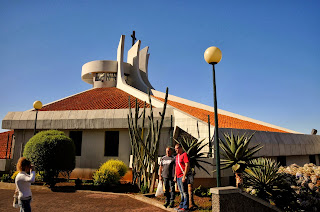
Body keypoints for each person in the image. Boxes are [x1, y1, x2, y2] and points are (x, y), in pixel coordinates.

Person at [174, 143, 190, 212]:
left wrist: (184, 176)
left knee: (184, 192)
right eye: (175, 149)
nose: (176, 150)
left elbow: (187, 165)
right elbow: (176, 166)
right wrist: (175, 176)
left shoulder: (184, 155)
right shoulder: (177, 156)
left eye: (177, 149)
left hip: (182, 176)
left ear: (180, 148)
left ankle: (185, 207)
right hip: (178, 176)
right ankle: (181, 205)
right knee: (181, 192)